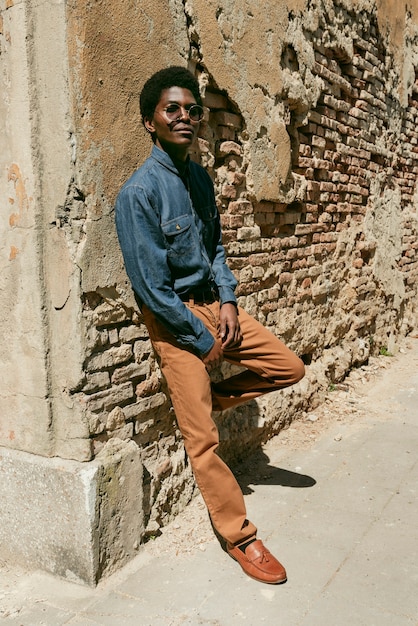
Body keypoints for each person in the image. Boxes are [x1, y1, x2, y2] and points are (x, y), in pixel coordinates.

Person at [115, 66, 305, 584]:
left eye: (191, 110)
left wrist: (226, 301)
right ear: (150, 122)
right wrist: (201, 340)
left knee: (288, 367)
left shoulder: (198, 177)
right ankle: (242, 538)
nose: (184, 117)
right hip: (175, 321)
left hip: (212, 307)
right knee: (204, 442)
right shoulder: (139, 194)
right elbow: (151, 289)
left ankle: (213, 398)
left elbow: (215, 247)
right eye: (170, 109)